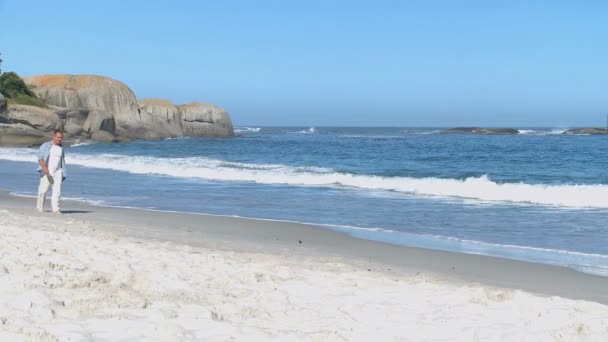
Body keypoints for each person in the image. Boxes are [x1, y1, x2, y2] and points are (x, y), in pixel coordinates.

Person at [36, 129, 67, 214]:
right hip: (46, 171)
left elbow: (62, 161)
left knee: (57, 191)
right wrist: (44, 168)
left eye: (61, 138)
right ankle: (39, 207)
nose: (59, 139)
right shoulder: (46, 145)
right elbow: (40, 158)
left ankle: (56, 209)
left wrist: (63, 173)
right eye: (58, 137)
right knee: (43, 190)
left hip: (58, 172)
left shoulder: (61, 147)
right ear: (53, 137)